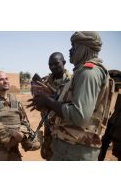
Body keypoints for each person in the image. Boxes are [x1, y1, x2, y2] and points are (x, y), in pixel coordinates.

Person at [28, 31, 115, 161]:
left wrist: (47, 101)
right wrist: (53, 96)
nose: (70, 50)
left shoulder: (88, 73)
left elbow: (79, 116)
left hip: (75, 149)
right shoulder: (84, 72)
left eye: (74, 46)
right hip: (70, 147)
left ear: (84, 47)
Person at [0, 71, 41, 161]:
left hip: (14, 152)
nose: (5, 81)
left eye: (6, 79)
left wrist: (20, 134)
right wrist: (12, 135)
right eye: (1, 79)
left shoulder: (14, 99)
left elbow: (24, 121)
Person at [31, 52, 71, 160]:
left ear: (64, 63)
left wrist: (50, 99)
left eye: (56, 63)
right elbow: (39, 105)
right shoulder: (44, 81)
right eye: (50, 64)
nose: (53, 67)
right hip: (49, 129)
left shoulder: (72, 82)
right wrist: (38, 102)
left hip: (67, 131)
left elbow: (73, 107)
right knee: (49, 156)